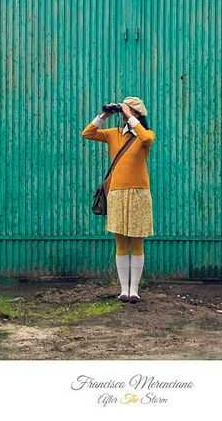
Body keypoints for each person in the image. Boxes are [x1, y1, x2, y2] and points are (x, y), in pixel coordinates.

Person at [81, 96, 155, 304]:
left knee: (137, 242)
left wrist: (130, 116)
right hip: (117, 193)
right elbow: (87, 133)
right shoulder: (114, 134)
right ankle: (123, 290)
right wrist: (105, 115)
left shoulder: (145, 134)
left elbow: (146, 138)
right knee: (121, 243)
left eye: (129, 110)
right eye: (124, 110)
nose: (124, 114)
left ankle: (134, 290)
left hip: (139, 194)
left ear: (138, 113)